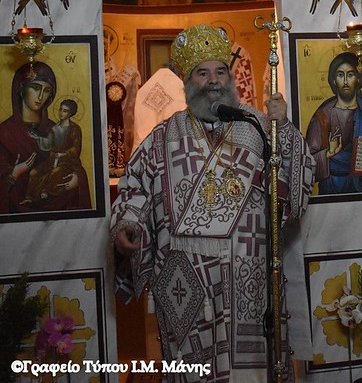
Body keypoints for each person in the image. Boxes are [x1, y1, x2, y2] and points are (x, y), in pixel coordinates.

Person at [110, 24, 315, 381]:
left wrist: (284, 128)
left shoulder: (257, 126)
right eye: (202, 73)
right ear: (187, 82)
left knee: (251, 369)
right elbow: (135, 184)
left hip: (247, 273)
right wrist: (128, 222)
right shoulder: (164, 136)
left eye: (220, 71)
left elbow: (295, 185)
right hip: (186, 281)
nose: (214, 81)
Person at [0, 61, 90, 214]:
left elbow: (74, 162)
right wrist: (15, 173)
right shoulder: (5, 132)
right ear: (21, 89)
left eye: (46, 90)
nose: (41, 96)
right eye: (35, 88)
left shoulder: (56, 128)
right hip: (15, 217)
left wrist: (78, 178)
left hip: (57, 209)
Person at [305, 51, 362, 195]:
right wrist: (328, 153)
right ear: (333, 80)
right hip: (331, 191)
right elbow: (305, 164)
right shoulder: (322, 116)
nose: (345, 82)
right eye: (340, 75)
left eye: (350, 75)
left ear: (358, 79)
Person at [24, 98, 85, 202]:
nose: (61, 113)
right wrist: (38, 138)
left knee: (55, 173)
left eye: (65, 111)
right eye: (60, 109)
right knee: (33, 173)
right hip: (52, 160)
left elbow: (76, 148)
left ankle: (45, 191)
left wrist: (63, 154)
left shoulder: (74, 129)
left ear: (70, 114)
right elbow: (49, 144)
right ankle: (31, 199)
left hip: (68, 162)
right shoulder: (54, 128)